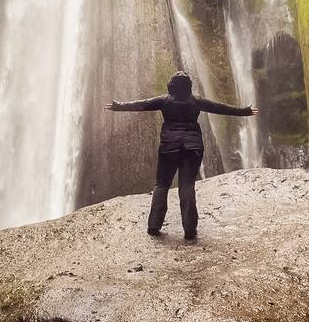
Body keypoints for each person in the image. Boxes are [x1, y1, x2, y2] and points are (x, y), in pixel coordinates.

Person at [104, 71, 258, 240]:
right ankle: (190, 230)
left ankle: (154, 225)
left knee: (161, 185)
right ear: (188, 86)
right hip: (192, 147)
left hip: (169, 146)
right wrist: (244, 111)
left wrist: (119, 106)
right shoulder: (196, 100)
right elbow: (219, 107)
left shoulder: (164, 100)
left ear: (171, 86)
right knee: (187, 185)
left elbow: (142, 104)